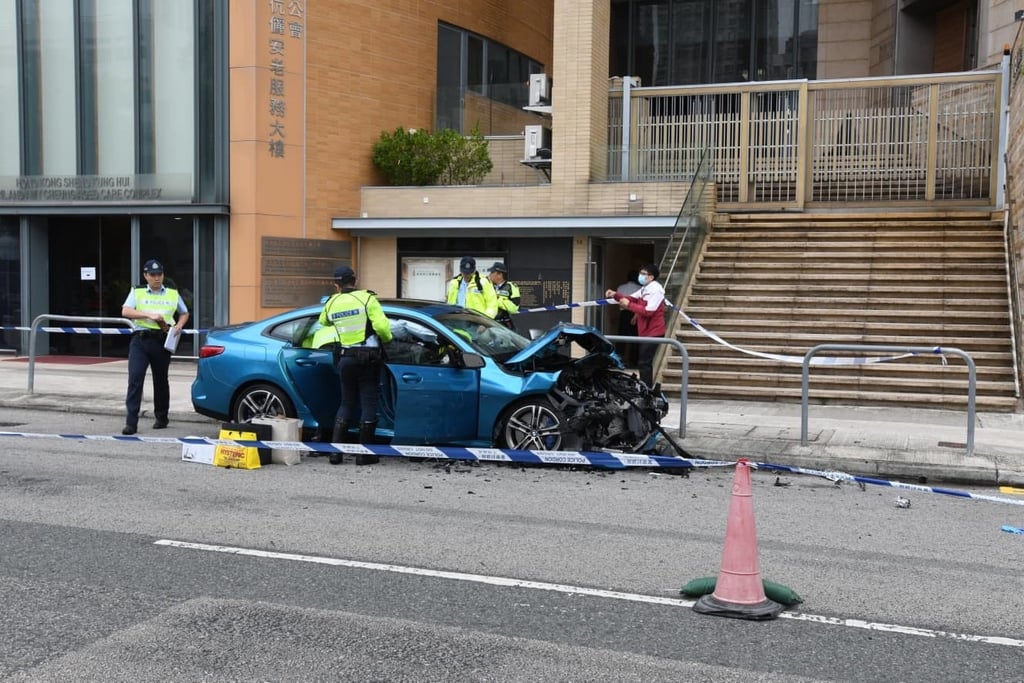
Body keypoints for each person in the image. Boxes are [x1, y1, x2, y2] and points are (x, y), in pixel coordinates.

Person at [319, 265, 393, 466]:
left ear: (337, 285)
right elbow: (382, 327)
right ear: (355, 280)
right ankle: (364, 454)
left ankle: (336, 454)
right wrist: (388, 339)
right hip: (367, 358)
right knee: (368, 402)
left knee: (346, 403)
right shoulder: (367, 299)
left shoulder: (332, 302)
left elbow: (323, 321)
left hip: (345, 358)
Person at [120, 258, 189, 435]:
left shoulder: (172, 293)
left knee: (160, 380)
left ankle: (162, 417)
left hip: (161, 340)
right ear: (146, 276)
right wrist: (149, 315)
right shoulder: (138, 291)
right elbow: (126, 311)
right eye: (152, 275)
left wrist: (179, 325)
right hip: (140, 340)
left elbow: (184, 312)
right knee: (135, 379)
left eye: (159, 274)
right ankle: (131, 422)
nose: (157, 278)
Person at [605, 263, 665, 388]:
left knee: (644, 362)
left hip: (653, 331)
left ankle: (647, 389)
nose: (641, 276)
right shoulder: (645, 288)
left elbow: (649, 311)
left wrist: (629, 305)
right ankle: (645, 388)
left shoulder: (656, 290)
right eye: (640, 273)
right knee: (643, 361)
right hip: (645, 330)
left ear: (651, 277)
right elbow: (631, 298)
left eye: (644, 274)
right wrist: (615, 295)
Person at [614, 270, 641, 365]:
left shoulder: (620, 287)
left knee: (622, 336)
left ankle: (618, 359)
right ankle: (633, 360)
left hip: (624, 313)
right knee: (635, 337)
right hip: (635, 313)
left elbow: (618, 301)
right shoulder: (640, 288)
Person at [487, 261, 521, 330]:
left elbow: (514, 308)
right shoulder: (488, 286)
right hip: (490, 324)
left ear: (500, 275)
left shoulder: (511, 287)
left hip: (505, 325)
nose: (489, 275)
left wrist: (497, 301)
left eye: (492, 272)